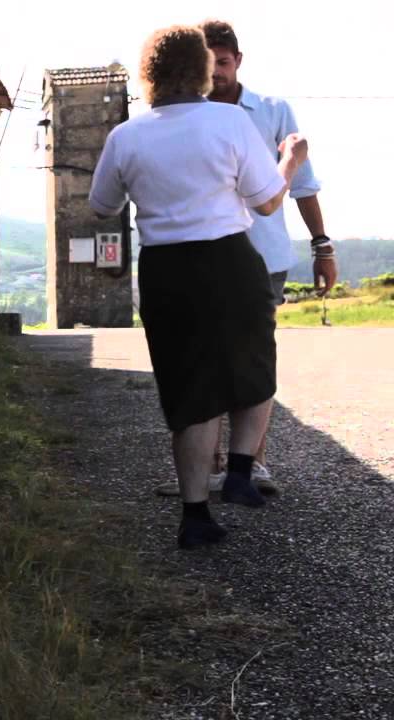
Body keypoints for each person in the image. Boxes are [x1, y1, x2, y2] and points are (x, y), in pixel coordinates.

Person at [88, 26, 310, 548]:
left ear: (150, 74)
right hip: (229, 260)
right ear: (205, 68)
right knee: (254, 364)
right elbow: (267, 202)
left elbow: (103, 206)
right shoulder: (230, 121)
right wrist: (291, 158)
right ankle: (238, 472)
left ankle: (195, 516)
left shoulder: (127, 135)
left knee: (191, 387)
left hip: (166, 267)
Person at [201, 18, 338, 495]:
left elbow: (302, 185)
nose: (215, 71)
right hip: (204, 256)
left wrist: (322, 246)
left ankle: (252, 462)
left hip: (263, 256)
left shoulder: (273, 110)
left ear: (238, 61)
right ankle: (208, 464)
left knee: (252, 357)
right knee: (206, 359)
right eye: (206, 62)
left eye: (222, 61)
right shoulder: (186, 114)